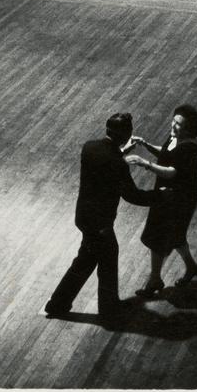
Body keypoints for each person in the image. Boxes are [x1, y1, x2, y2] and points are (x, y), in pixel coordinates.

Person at [44, 112, 157, 324]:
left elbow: (107, 160)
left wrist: (122, 151)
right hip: (101, 223)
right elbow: (133, 196)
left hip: (85, 216)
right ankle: (104, 309)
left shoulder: (90, 148)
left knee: (90, 260)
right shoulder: (118, 163)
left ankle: (62, 304)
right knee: (98, 261)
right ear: (126, 135)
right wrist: (160, 197)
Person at [126, 104, 197, 296]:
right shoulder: (176, 138)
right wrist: (146, 145)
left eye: (179, 124)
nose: (173, 126)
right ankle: (191, 267)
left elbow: (172, 172)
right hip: (166, 195)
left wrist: (145, 164)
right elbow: (166, 153)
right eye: (174, 121)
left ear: (189, 129)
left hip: (177, 199)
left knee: (158, 237)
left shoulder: (189, 148)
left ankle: (154, 280)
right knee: (175, 236)